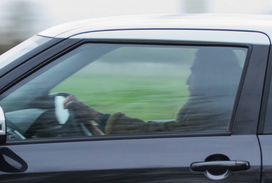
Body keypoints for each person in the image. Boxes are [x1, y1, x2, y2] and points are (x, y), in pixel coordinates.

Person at [65, 47, 242, 135]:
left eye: (194, 71)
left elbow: (161, 134)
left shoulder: (213, 110)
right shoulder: (218, 107)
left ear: (210, 76)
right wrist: (100, 130)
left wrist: (96, 116)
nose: (188, 81)